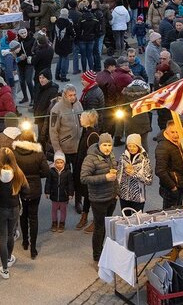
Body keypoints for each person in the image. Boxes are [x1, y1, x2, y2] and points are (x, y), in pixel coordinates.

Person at [0, 148, 27, 279]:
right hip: (14, 208)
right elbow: (26, 189)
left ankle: (4, 269)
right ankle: (9, 258)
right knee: (11, 235)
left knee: (3, 237)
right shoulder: (18, 172)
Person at [80, 133, 118, 264]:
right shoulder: (90, 159)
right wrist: (105, 177)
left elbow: (115, 177)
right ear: (99, 145)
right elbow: (84, 178)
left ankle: (103, 250)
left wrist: (116, 192)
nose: (107, 148)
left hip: (111, 198)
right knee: (99, 228)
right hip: (98, 199)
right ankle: (97, 255)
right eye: (104, 145)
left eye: (109, 145)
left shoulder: (111, 156)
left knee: (105, 226)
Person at [12, 130, 49, 258]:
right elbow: (46, 171)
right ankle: (33, 248)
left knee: (23, 215)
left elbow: (12, 170)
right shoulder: (39, 153)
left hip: (20, 188)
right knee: (33, 217)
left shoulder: (15, 153)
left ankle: (25, 241)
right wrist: (37, 175)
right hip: (34, 189)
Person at [74, 110, 101, 229]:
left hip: (89, 170)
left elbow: (95, 155)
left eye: (82, 117)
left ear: (88, 120)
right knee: (86, 194)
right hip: (83, 168)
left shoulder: (93, 135)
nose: (80, 118)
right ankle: (84, 216)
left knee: (91, 195)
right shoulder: (86, 131)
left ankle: (95, 220)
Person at [49, 85, 82, 177]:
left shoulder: (78, 105)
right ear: (64, 95)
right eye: (70, 95)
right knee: (65, 176)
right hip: (64, 148)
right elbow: (53, 131)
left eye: (74, 95)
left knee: (78, 173)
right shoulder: (56, 109)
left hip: (78, 147)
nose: (73, 97)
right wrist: (57, 150)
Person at [155, 121, 183, 210]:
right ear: (166, 131)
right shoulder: (163, 146)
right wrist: (173, 187)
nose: (175, 135)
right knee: (170, 212)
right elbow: (160, 171)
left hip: (179, 185)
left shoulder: (177, 142)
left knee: (178, 210)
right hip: (171, 188)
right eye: (172, 132)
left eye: (177, 132)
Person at [116, 134, 153, 213]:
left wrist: (134, 174)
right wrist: (116, 191)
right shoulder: (123, 158)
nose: (131, 148)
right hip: (124, 196)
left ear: (139, 147)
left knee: (137, 219)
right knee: (125, 218)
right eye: (129, 146)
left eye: (134, 146)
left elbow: (149, 181)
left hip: (138, 198)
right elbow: (118, 177)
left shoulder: (144, 160)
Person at [46, 151, 74, 233]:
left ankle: (62, 223)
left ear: (64, 163)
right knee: (54, 210)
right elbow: (48, 182)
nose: (59, 164)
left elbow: (70, 184)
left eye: (61, 162)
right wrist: (47, 192)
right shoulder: (51, 172)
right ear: (54, 163)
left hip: (64, 195)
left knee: (63, 210)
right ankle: (54, 223)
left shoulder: (68, 172)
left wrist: (70, 194)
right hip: (54, 195)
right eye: (57, 162)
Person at [52, 9, 75, 82]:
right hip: (66, 43)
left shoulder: (56, 22)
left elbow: (53, 33)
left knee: (60, 59)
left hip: (58, 43)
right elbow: (72, 33)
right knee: (65, 59)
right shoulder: (68, 22)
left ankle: (57, 75)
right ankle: (63, 76)